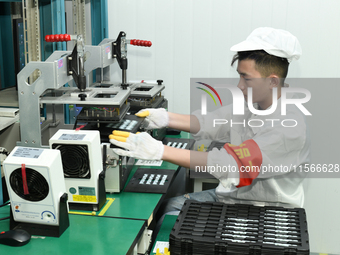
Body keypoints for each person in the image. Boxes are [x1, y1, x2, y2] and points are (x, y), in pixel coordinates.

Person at [109, 27, 310, 212]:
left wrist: (160, 151)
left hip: (265, 209)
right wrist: (164, 118)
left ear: (272, 81)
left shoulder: (288, 127)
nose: (240, 85)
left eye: (246, 78)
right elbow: (212, 122)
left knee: (173, 214)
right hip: (233, 196)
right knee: (171, 207)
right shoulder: (256, 105)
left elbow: (230, 164)